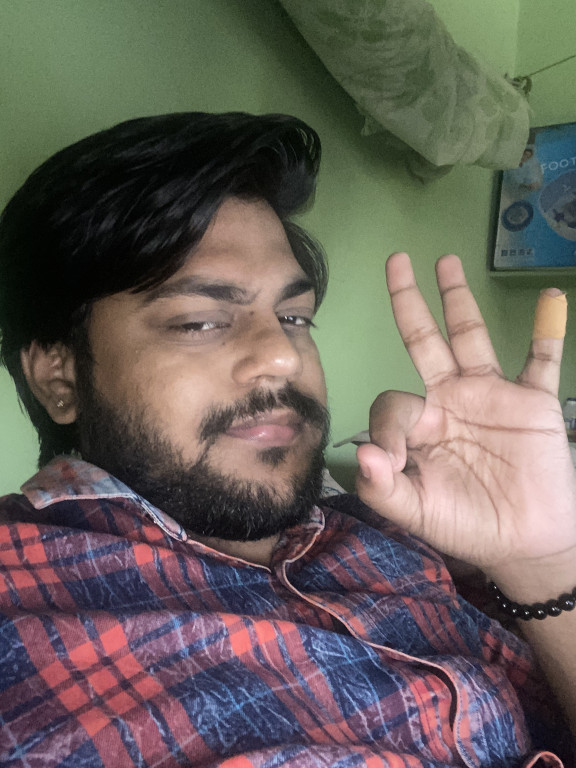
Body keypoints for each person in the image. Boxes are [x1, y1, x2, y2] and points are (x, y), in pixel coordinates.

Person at [0, 112, 574, 768]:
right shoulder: (22, 618)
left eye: (294, 316)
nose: (282, 354)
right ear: (59, 378)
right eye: (200, 321)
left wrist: (542, 561)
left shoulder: (385, 530)